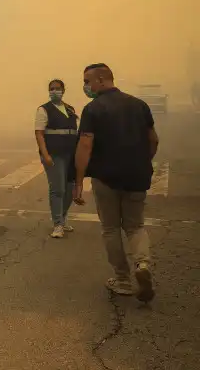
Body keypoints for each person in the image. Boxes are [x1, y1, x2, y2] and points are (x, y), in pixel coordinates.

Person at [74, 64, 160, 303]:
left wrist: (79, 182)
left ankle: (122, 280)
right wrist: (142, 162)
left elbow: (85, 145)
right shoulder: (139, 105)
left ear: (101, 80)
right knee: (135, 226)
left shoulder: (93, 110)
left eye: (87, 81)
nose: (86, 87)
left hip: (106, 178)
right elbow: (153, 139)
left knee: (111, 228)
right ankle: (142, 264)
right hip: (137, 176)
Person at [34, 79, 79, 238]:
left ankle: (63, 217)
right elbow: (39, 133)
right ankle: (57, 224)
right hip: (54, 155)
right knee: (58, 189)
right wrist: (45, 155)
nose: (54, 91)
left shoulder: (70, 109)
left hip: (70, 155)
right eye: (51, 89)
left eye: (57, 88)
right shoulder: (44, 110)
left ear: (63, 90)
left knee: (69, 189)